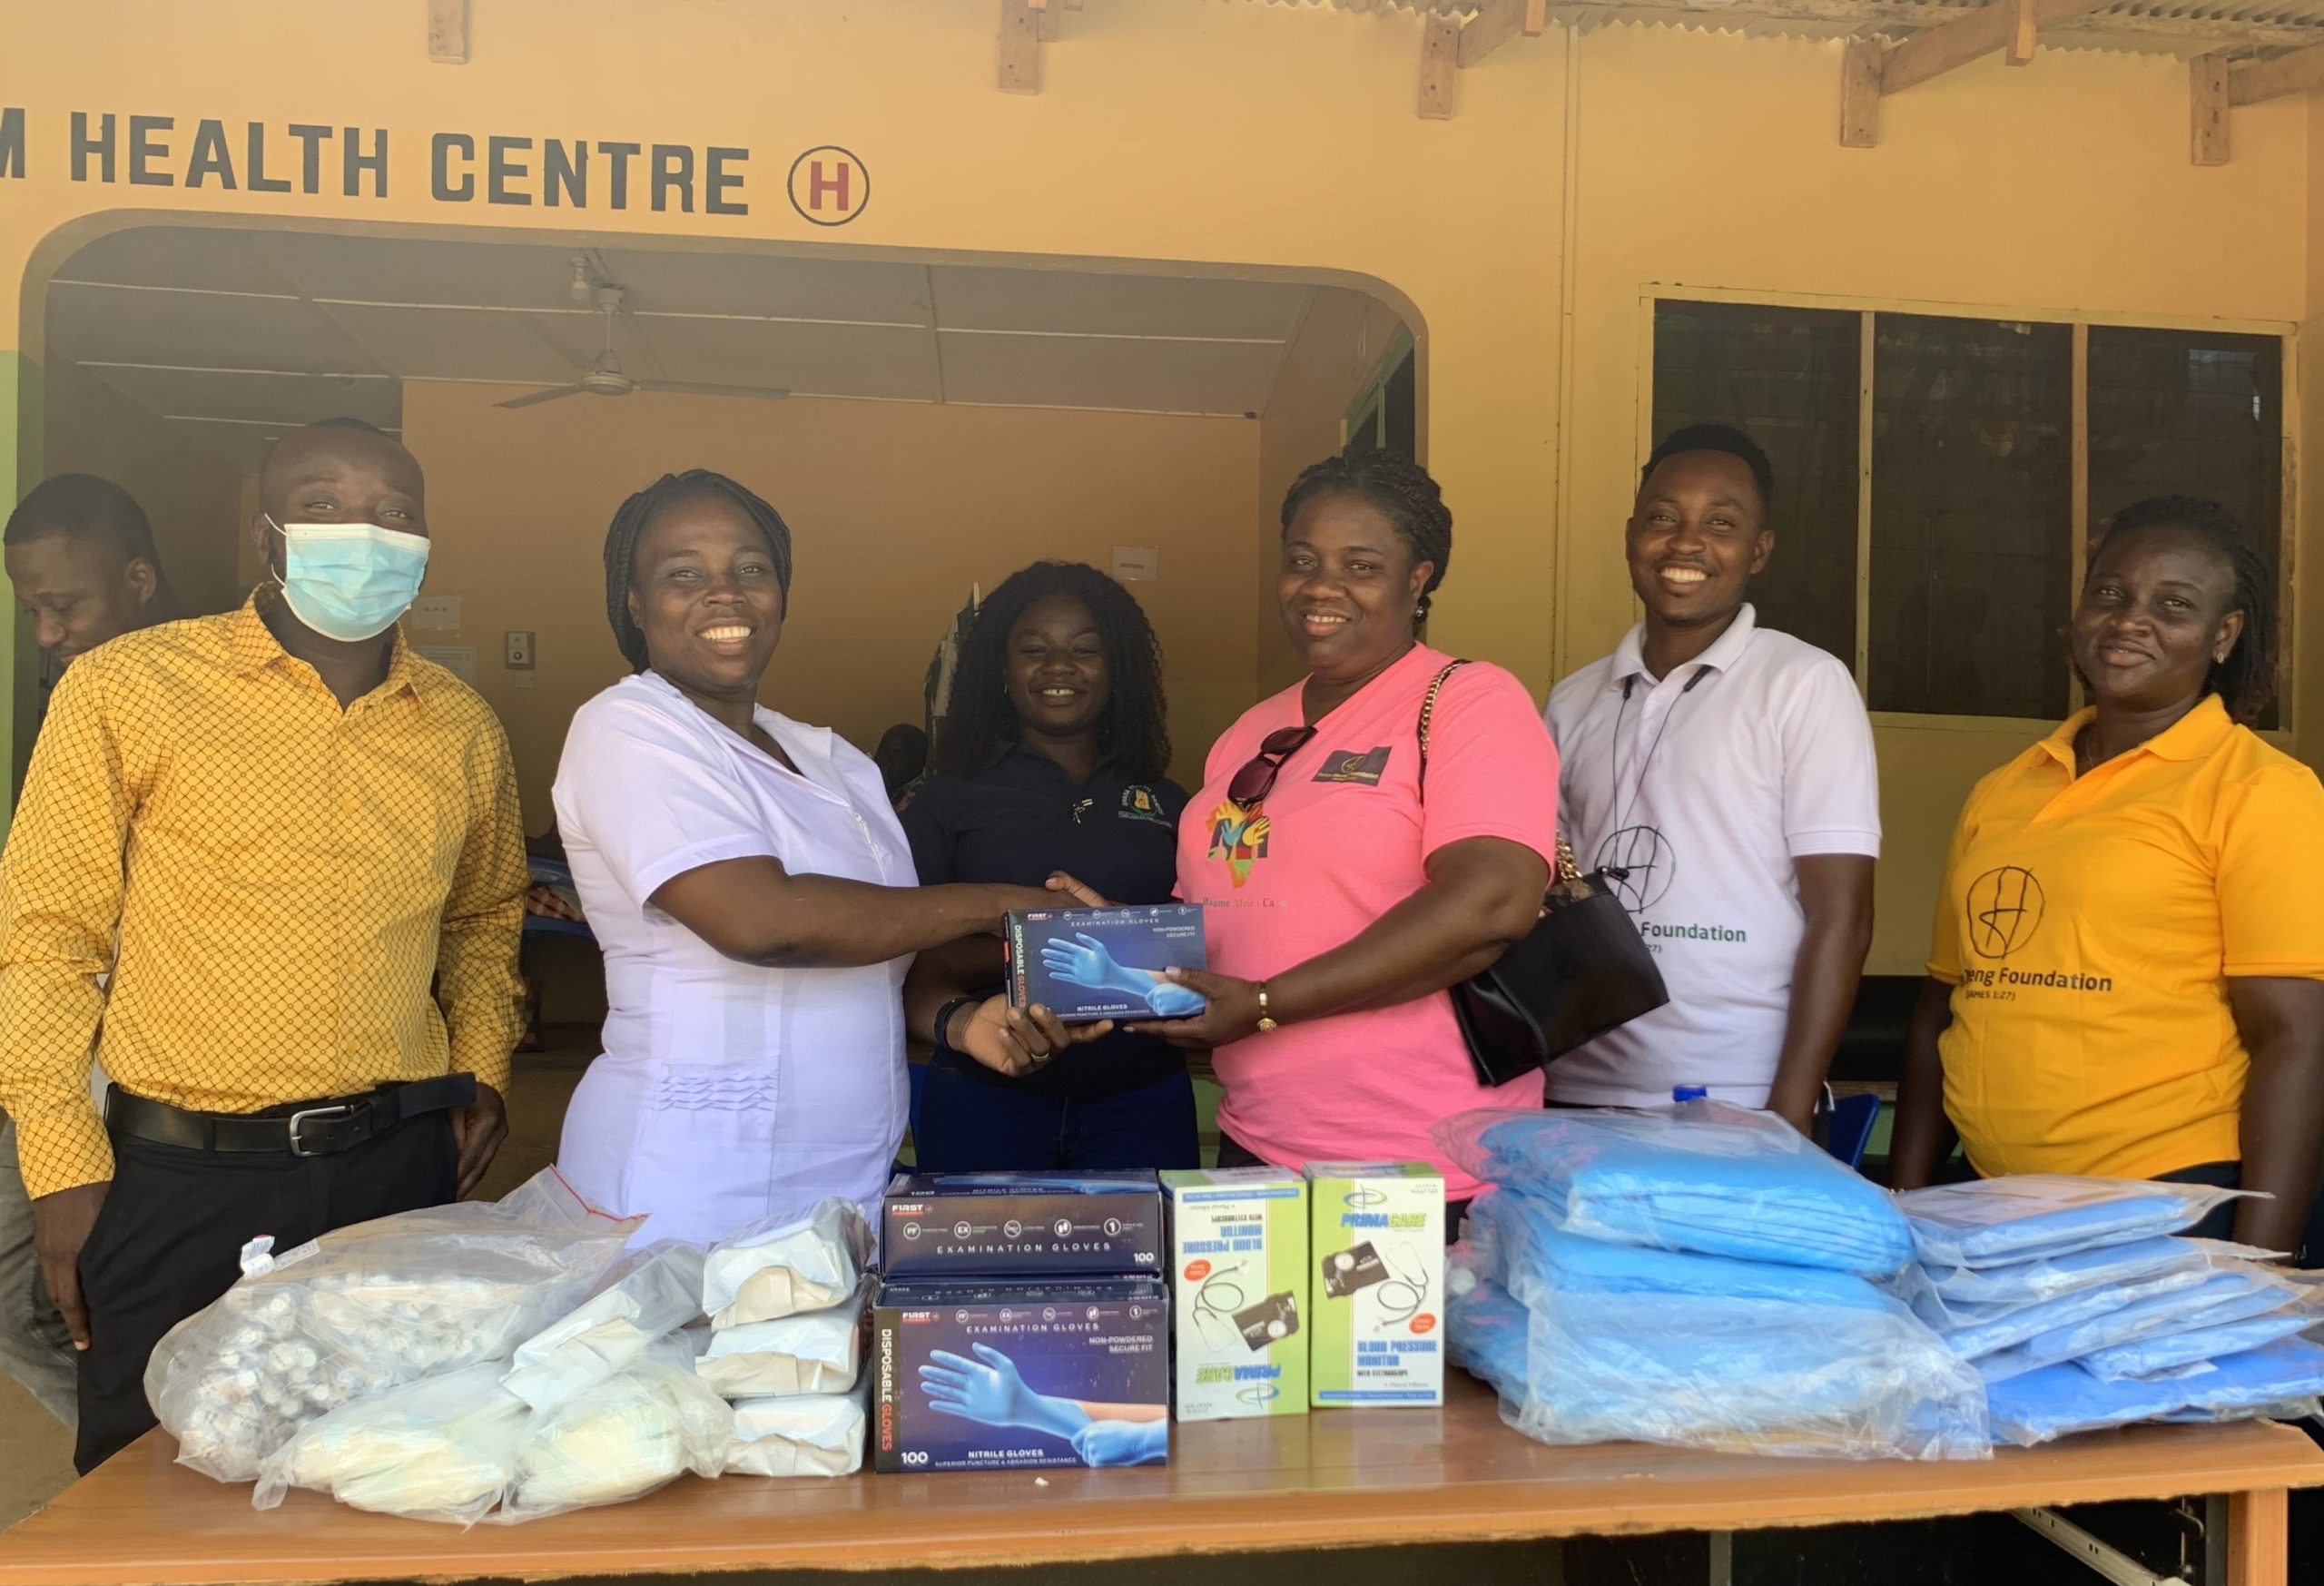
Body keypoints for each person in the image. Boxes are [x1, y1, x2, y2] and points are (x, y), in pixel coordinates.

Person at [0, 419, 527, 1472]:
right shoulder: (129, 688)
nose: (363, 533)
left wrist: (483, 1072)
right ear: (266, 535)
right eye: (323, 505)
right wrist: (60, 1165)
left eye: (394, 513)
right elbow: (49, 937)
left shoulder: (460, 726)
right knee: (151, 1483)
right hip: (176, 1179)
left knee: (384, 1470)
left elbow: (482, 921)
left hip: (393, 1173)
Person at [551, 471, 1098, 1246]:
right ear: (635, 605)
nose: (724, 592)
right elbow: (763, 921)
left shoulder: (834, 761)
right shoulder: (625, 727)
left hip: (845, 1186)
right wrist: (1006, 905)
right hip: (687, 1181)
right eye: (684, 573)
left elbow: (881, 944)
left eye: (751, 567)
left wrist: (961, 1021)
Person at [1088, 448, 1558, 1224]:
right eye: (1302, 560)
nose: (1321, 587)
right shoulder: (1250, 730)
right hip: (1257, 1144)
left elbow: (1491, 903)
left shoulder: (1469, 700)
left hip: (1424, 1162)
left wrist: (1265, 1003)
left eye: (1361, 565)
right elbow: (1230, 913)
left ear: (1419, 578)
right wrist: (1117, 942)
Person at [1889, 497, 2324, 1261]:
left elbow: (2293, 1037)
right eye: (2110, 593)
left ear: (2225, 634)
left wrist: (2258, 1268)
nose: (2129, 620)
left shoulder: (2260, 792)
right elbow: (1943, 1009)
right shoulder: (2004, 790)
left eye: (2174, 604)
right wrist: (1906, 1204)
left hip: (2165, 1211)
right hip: (1988, 1200)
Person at [1541, 425, 1878, 1130]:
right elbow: (1550, 892)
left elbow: (1841, 916)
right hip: (1576, 1086)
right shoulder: (1573, 701)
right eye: (1664, 517)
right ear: (1631, 535)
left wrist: (1789, 1109)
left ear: (1759, 550)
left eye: (1721, 524)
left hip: (1737, 1092)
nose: (1686, 542)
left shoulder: (1803, 683)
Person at [901, 561, 1196, 1172]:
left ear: (1116, 670)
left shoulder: (1169, 802)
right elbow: (907, 950)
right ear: (1001, 671)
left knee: (1153, 1241)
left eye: (1084, 650)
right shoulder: (947, 800)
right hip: (985, 1094)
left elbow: (1197, 946)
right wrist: (1059, 942)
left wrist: (1029, 941)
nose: (1059, 666)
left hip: (1141, 1095)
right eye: (1034, 650)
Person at [0, 475, 174, 1430]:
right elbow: (48, 918)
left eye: (63, 605)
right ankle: (133, 1462)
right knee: (25, 1296)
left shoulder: (212, 712)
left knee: (93, 1286)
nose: (47, 633)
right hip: (54, 1051)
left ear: (137, 579)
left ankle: (149, 1461)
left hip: (154, 1071)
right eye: (34, 611)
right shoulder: (78, 706)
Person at [872, 723, 929, 806]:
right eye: (883, 752)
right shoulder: (875, 787)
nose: (885, 761)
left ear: (919, 761)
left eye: (897, 755)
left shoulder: (921, 799)